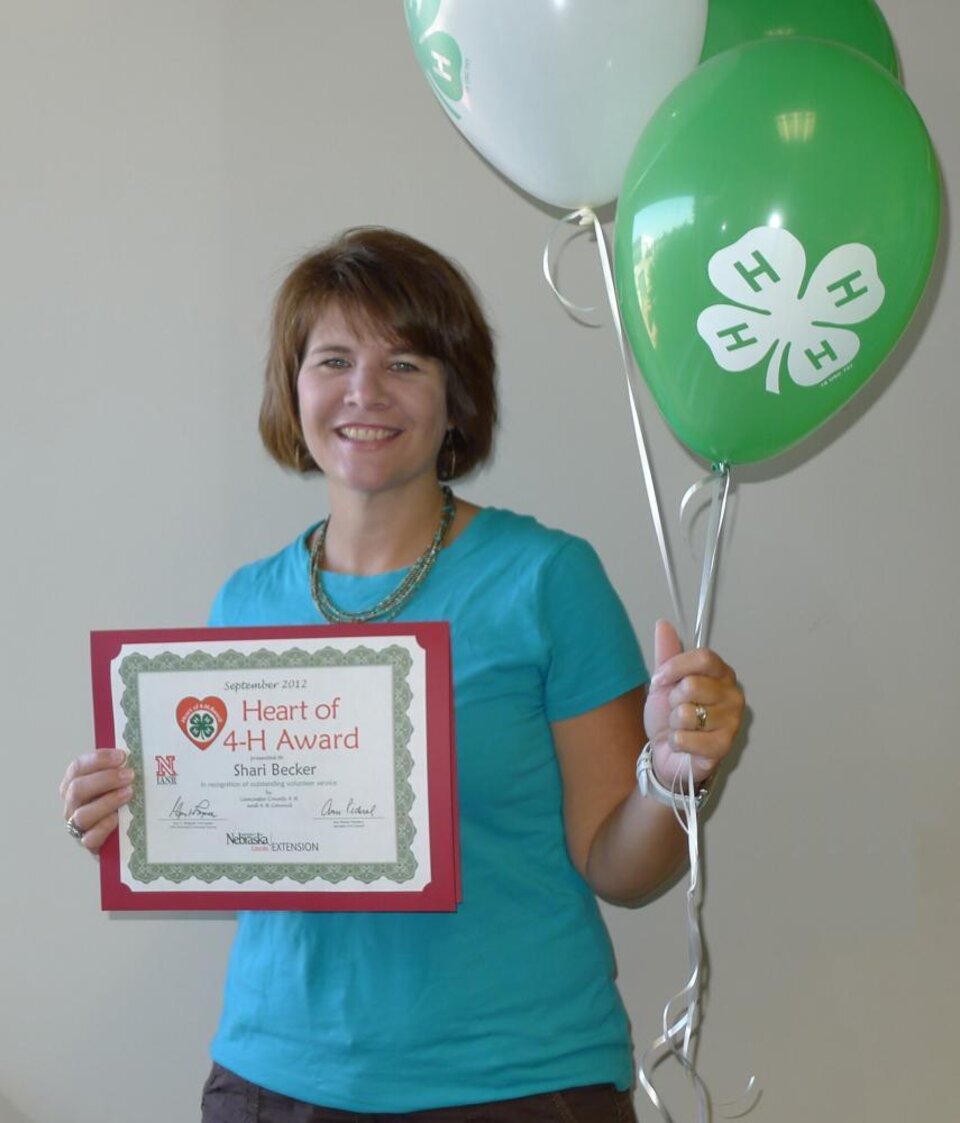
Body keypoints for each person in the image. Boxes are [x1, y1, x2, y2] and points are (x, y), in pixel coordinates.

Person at [60, 227, 745, 1122]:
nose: (364, 393)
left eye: (407, 363)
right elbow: (253, 841)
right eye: (332, 359)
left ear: (457, 397)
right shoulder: (243, 604)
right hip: (275, 1080)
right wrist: (130, 814)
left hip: (516, 1081)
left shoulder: (545, 578)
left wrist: (674, 774)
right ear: (292, 389)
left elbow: (620, 868)